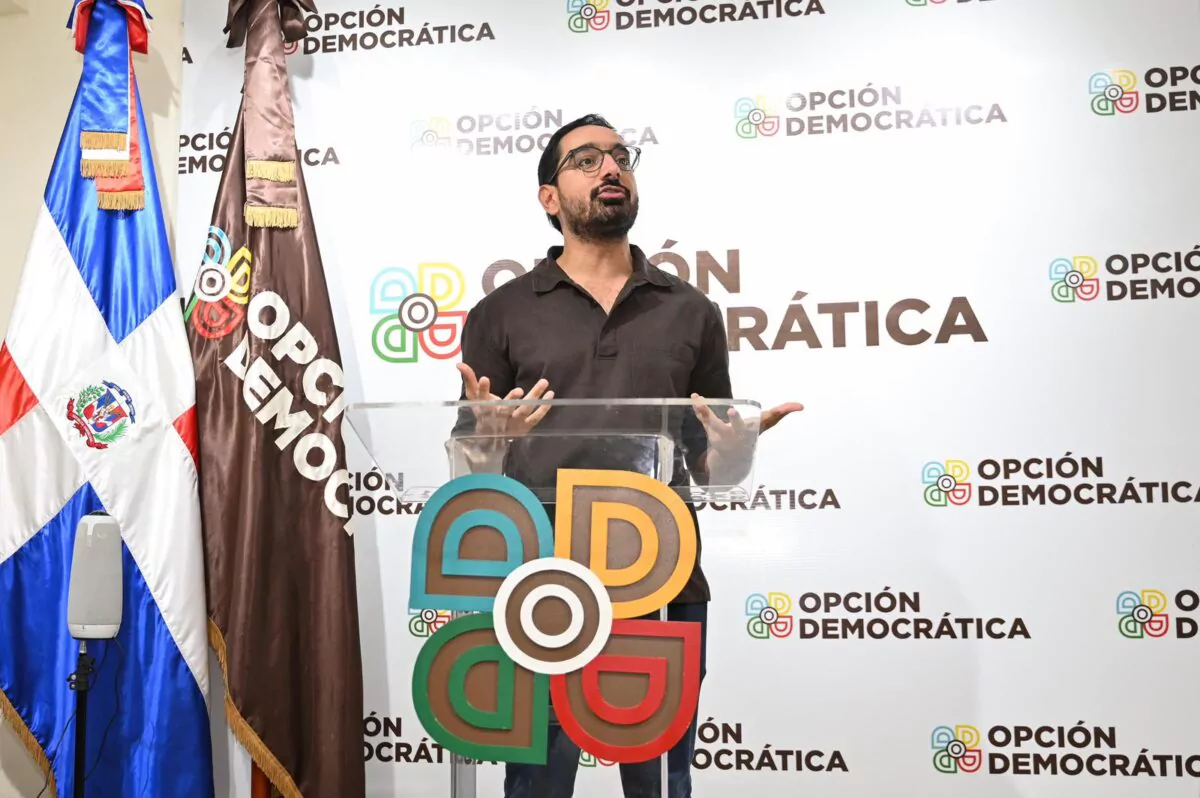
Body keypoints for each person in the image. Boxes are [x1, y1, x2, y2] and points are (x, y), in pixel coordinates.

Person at [452, 114, 802, 798]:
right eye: (586, 160)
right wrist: (485, 443)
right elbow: (474, 471)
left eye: (619, 156)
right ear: (549, 197)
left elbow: (713, 471)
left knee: (661, 781)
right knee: (537, 782)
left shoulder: (690, 311)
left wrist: (735, 453)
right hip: (544, 582)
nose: (610, 168)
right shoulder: (499, 314)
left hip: (661, 579)